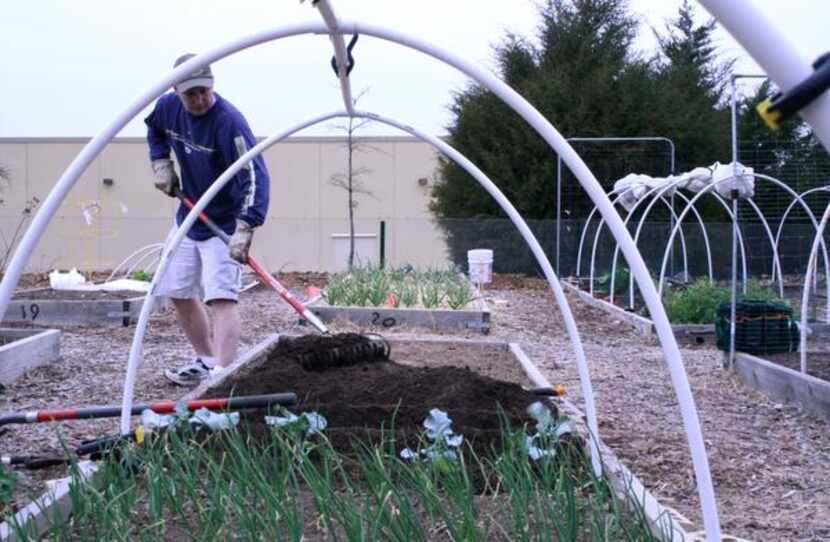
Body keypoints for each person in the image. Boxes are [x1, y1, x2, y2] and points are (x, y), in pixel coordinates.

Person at [145, 53, 270, 386]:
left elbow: (254, 175)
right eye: (191, 93)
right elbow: (154, 131)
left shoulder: (229, 122)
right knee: (178, 289)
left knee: (222, 297)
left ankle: (223, 376)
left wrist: (247, 224)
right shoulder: (167, 108)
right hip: (189, 217)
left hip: (225, 224)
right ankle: (206, 359)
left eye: (204, 90)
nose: (199, 99)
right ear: (175, 90)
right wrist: (161, 163)